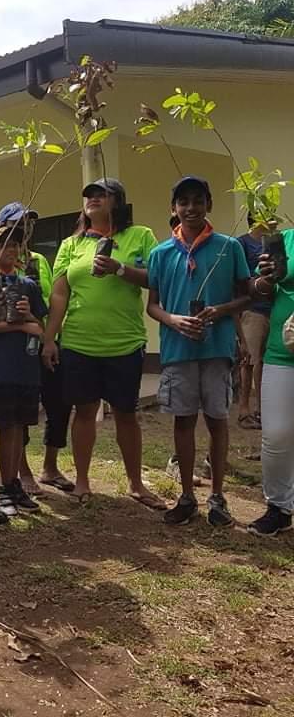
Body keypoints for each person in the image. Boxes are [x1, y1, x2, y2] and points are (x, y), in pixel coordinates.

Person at [42, 178, 165, 509]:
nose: (93, 199)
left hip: (125, 342)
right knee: (84, 412)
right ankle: (82, 481)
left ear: (118, 202)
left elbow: (156, 278)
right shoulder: (72, 244)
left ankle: (136, 484)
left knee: (126, 413)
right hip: (80, 342)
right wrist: (50, 338)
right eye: (88, 196)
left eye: (101, 194)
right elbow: (59, 294)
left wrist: (120, 269)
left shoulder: (140, 236)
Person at [147, 176, 250, 527]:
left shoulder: (227, 247)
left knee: (217, 419)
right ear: (174, 208)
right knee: (184, 419)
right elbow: (153, 305)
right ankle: (187, 495)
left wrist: (220, 311)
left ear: (209, 204)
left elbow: (247, 294)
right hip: (178, 348)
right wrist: (173, 320)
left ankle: (218, 497)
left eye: (198, 200)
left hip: (217, 347)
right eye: (183, 202)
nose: (191, 208)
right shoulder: (160, 253)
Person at [0, 202, 74, 494]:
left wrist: (49, 338)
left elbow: (51, 301)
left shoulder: (39, 260)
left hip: (43, 338)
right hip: (15, 349)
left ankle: (50, 466)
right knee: (18, 413)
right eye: (16, 223)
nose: (24, 229)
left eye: (28, 223)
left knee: (59, 402)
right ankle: (21, 470)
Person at [0, 224, 45, 516]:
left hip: (25, 366)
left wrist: (28, 317)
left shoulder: (28, 285)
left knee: (20, 427)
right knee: (6, 428)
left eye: (15, 245)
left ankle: (15, 484)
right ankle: (4, 487)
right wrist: (19, 324)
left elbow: (39, 325)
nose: (10, 250)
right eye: (3, 244)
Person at [247, 227, 294, 536]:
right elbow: (256, 288)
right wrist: (266, 278)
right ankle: (278, 506)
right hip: (282, 353)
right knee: (276, 435)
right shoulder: (285, 239)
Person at [237, 215, 271, 429]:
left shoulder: (274, 242)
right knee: (249, 361)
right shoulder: (243, 243)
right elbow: (240, 277)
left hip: (272, 309)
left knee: (263, 363)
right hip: (252, 310)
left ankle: (261, 409)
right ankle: (244, 409)